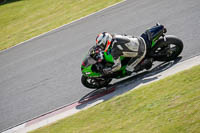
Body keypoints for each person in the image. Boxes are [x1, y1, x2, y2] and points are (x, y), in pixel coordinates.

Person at [95, 24, 166, 75]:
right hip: (139, 39)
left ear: (107, 42)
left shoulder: (115, 51)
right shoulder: (115, 36)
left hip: (140, 51)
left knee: (127, 70)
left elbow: (118, 66)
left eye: (102, 45)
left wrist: (110, 70)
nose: (101, 47)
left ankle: (145, 63)